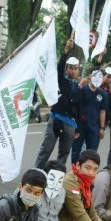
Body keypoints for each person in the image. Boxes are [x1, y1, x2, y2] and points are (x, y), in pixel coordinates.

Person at [34, 39, 79, 168]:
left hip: (70, 123)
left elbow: (79, 108)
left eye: (75, 69)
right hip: (56, 118)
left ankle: (56, 174)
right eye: (70, 68)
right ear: (67, 69)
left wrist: (78, 128)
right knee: (47, 148)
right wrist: (66, 51)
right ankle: (37, 171)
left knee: (64, 152)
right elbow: (59, 67)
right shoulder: (60, 79)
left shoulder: (78, 86)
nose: (73, 71)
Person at [70, 69, 108, 162]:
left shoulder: (103, 94)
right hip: (80, 126)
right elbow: (73, 99)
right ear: (91, 76)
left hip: (94, 128)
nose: (97, 79)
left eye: (100, 77)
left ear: (103, 79)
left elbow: (102, 111)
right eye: (95, 76)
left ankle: (86, 173)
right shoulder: (83, 89)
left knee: (92, 154)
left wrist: (102, 128)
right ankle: (74, 172)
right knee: (76, 151)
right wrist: (80, 84)